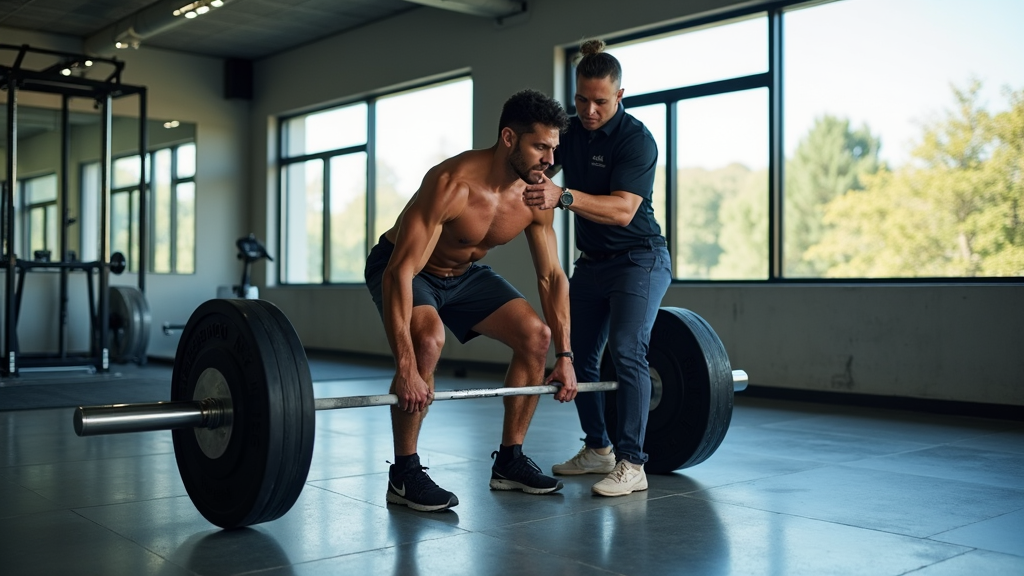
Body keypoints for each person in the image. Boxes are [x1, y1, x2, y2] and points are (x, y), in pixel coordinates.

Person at [364, 89, 578, 512]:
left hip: (463, 276)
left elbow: (551, 276)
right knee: (428, 340)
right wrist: (406, 368)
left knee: (536, 336)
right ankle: (404, 474)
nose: (549, 160)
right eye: (540, 146)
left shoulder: (537, 196)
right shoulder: (451, 183)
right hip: (406, 267)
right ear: (509, 138)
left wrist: (565, 354)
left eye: (553, 149)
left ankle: (510, 462)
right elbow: (399, 272)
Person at [523, 39, 672, 497]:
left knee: (627, 351)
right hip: (591, 264)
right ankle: (599, 449)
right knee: (576, 357)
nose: (589, 110)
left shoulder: (636, 140)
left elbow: (624, 210)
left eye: (601, 102)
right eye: (582, 100)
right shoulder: (570, 131)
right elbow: (536, 163)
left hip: (639, 260)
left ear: (620, 96)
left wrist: (562, 195)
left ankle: (633, 462)